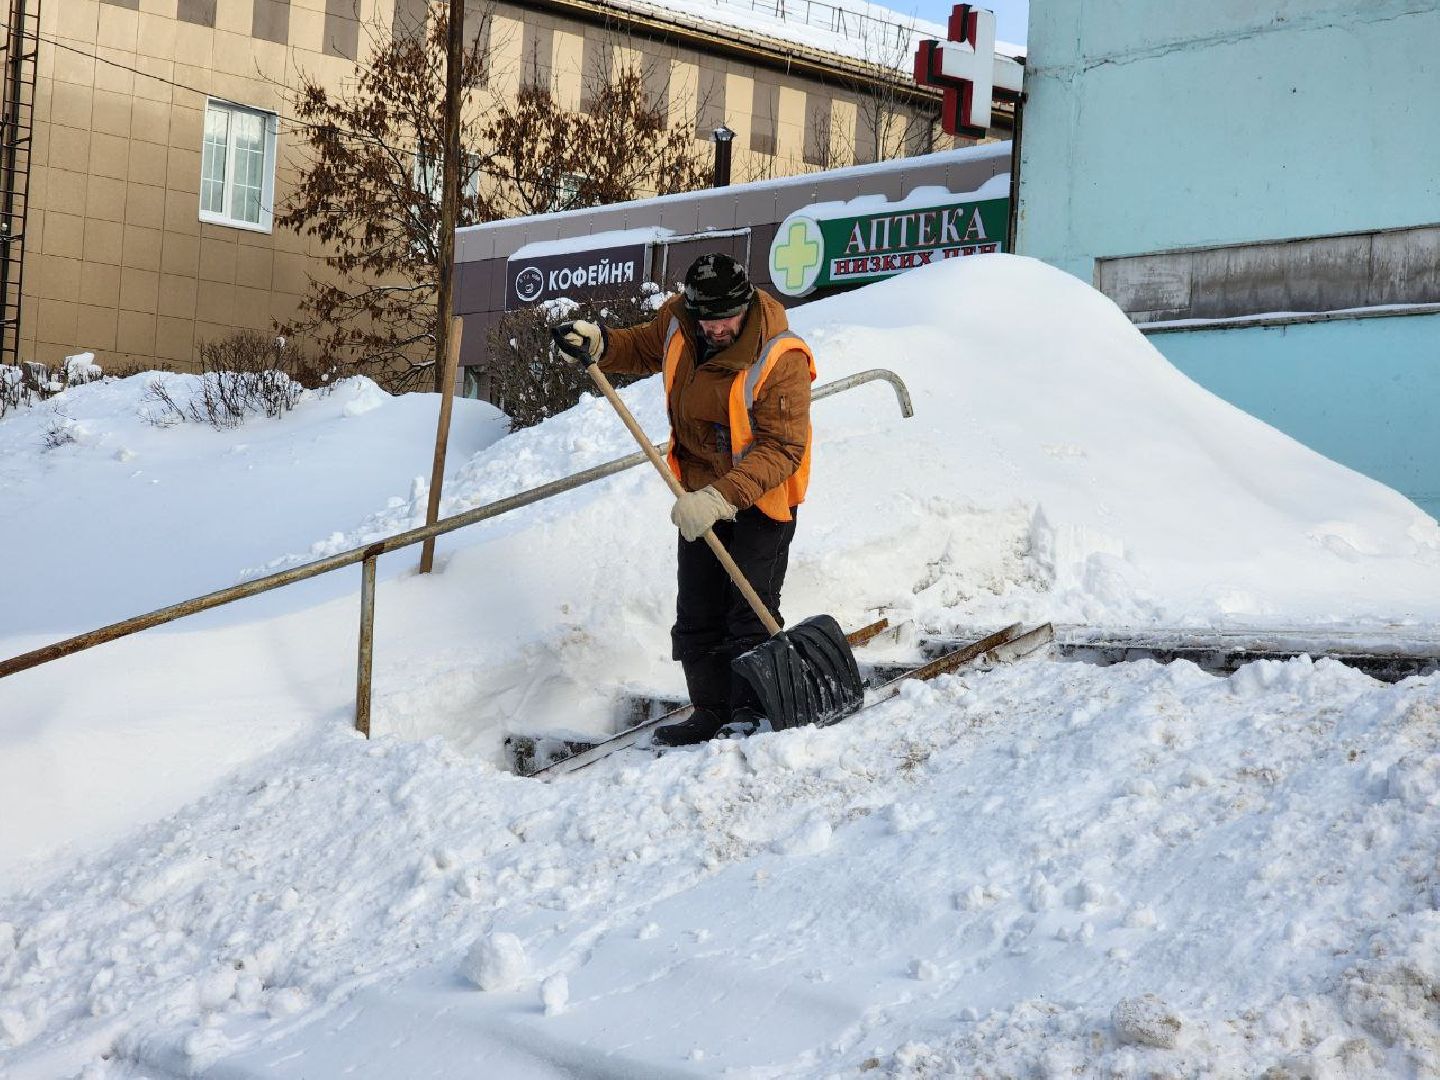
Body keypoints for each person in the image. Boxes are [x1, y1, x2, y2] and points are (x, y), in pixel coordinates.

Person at [552, 253, 816, 745]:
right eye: (707, 320)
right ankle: (710, 710)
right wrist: (602, 343)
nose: (716, 330)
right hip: (696, 492)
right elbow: (645, 347)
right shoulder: (680, 321)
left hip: (761, 498)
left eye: (727, 320)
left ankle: (750, 713)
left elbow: (783, 448)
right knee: (696, 611)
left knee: (749, 610)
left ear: (745, 306)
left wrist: (722, 497)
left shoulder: (781, 356)